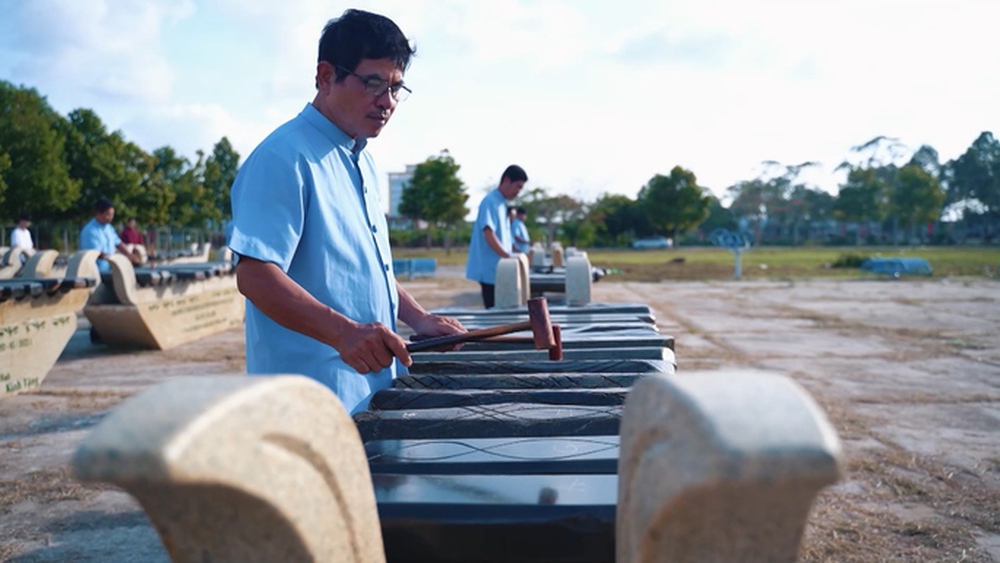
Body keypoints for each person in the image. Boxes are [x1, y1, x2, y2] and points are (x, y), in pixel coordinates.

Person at [228, 9, 464, 414]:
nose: (386, 102)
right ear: (325, 76)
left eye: (395, 88)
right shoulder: (283, 157)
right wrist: (343, 333)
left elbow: (364, 270)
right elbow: (255, 276)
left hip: (370, 391)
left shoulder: (361, 160)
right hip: (309, 401)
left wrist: (419, 318)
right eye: (373, 83)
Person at [465, 165, 528, 308]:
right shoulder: (490, 201)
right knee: (494, 311)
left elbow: (504, 236)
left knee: (504, 307)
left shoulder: (502, 204)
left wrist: (514, 251)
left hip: (501, 269)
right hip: (490, 269)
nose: (518, 192)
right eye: (518, 187)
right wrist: (508, 256)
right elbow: (489, 234)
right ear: (506, 180)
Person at [79, 199, 142, 273]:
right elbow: (95, 253)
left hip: (109, 269)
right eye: (108, 215)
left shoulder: (109, 228)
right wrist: (116, 258)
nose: (111, 218)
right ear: (98, 213)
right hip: (96, 272)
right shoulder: (90, 231)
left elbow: (118, 243)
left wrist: (129, 254)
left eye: (112, 215)